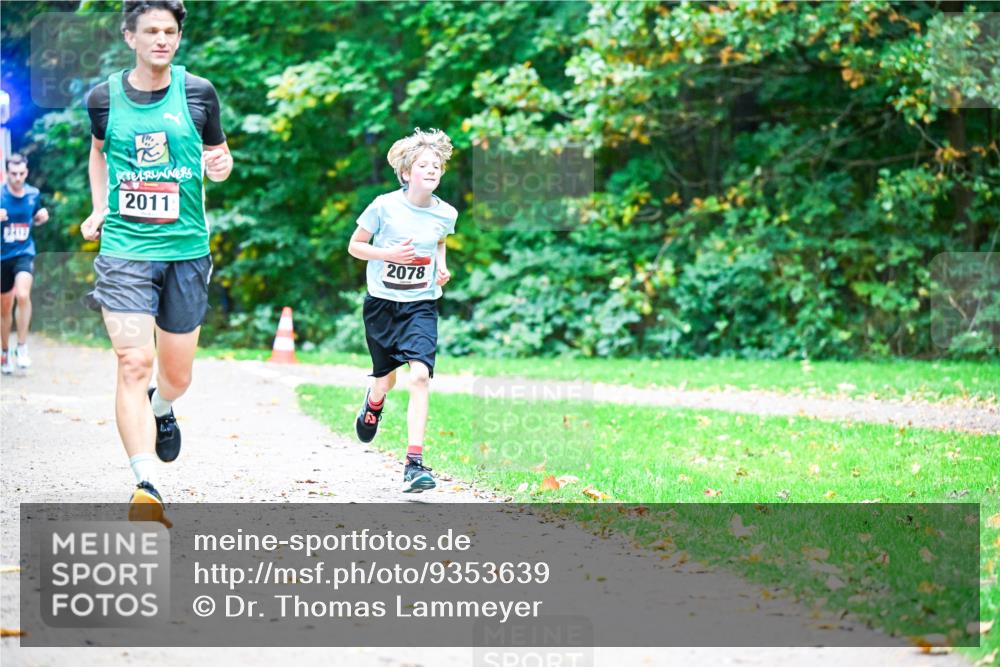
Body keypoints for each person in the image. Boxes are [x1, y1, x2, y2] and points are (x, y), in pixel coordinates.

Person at [81, 0, 233, 522]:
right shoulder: (103, 98)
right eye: (151, 31)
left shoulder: (199, 93)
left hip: (186, 250)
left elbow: (220, 159)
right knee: (132, 362)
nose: (161, 39)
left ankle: (163, 407)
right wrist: (100, 207)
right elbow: (98, 151)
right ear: (130, 37)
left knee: (175, 376)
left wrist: (220, 165)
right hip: (124, 250)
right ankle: (145, 483)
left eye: (170, 31)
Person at [347, 128, 457, 493]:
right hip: (382, 304)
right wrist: (388, 255)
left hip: (421, 305)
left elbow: (439, 240)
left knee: (421, 376)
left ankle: (414, 464)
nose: (431, 170)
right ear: (407, 173)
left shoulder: (446, 213)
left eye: (437, 165)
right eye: (423, 165)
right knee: (386, 380)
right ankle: (373, 402)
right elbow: (355, 247)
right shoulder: (383, 206)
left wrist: (441, 266)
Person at [1, 154, 50, 374]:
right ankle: (4, 352)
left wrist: (41, 217)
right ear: (6, 173)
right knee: (4, 308)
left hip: (24, 252)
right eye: (14, 174)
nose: (18, 178)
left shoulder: (33, 194)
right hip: (2, 256)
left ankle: (21, 347)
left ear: (26, 172)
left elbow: (35, 216)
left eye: (21, 174)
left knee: (22, 295)